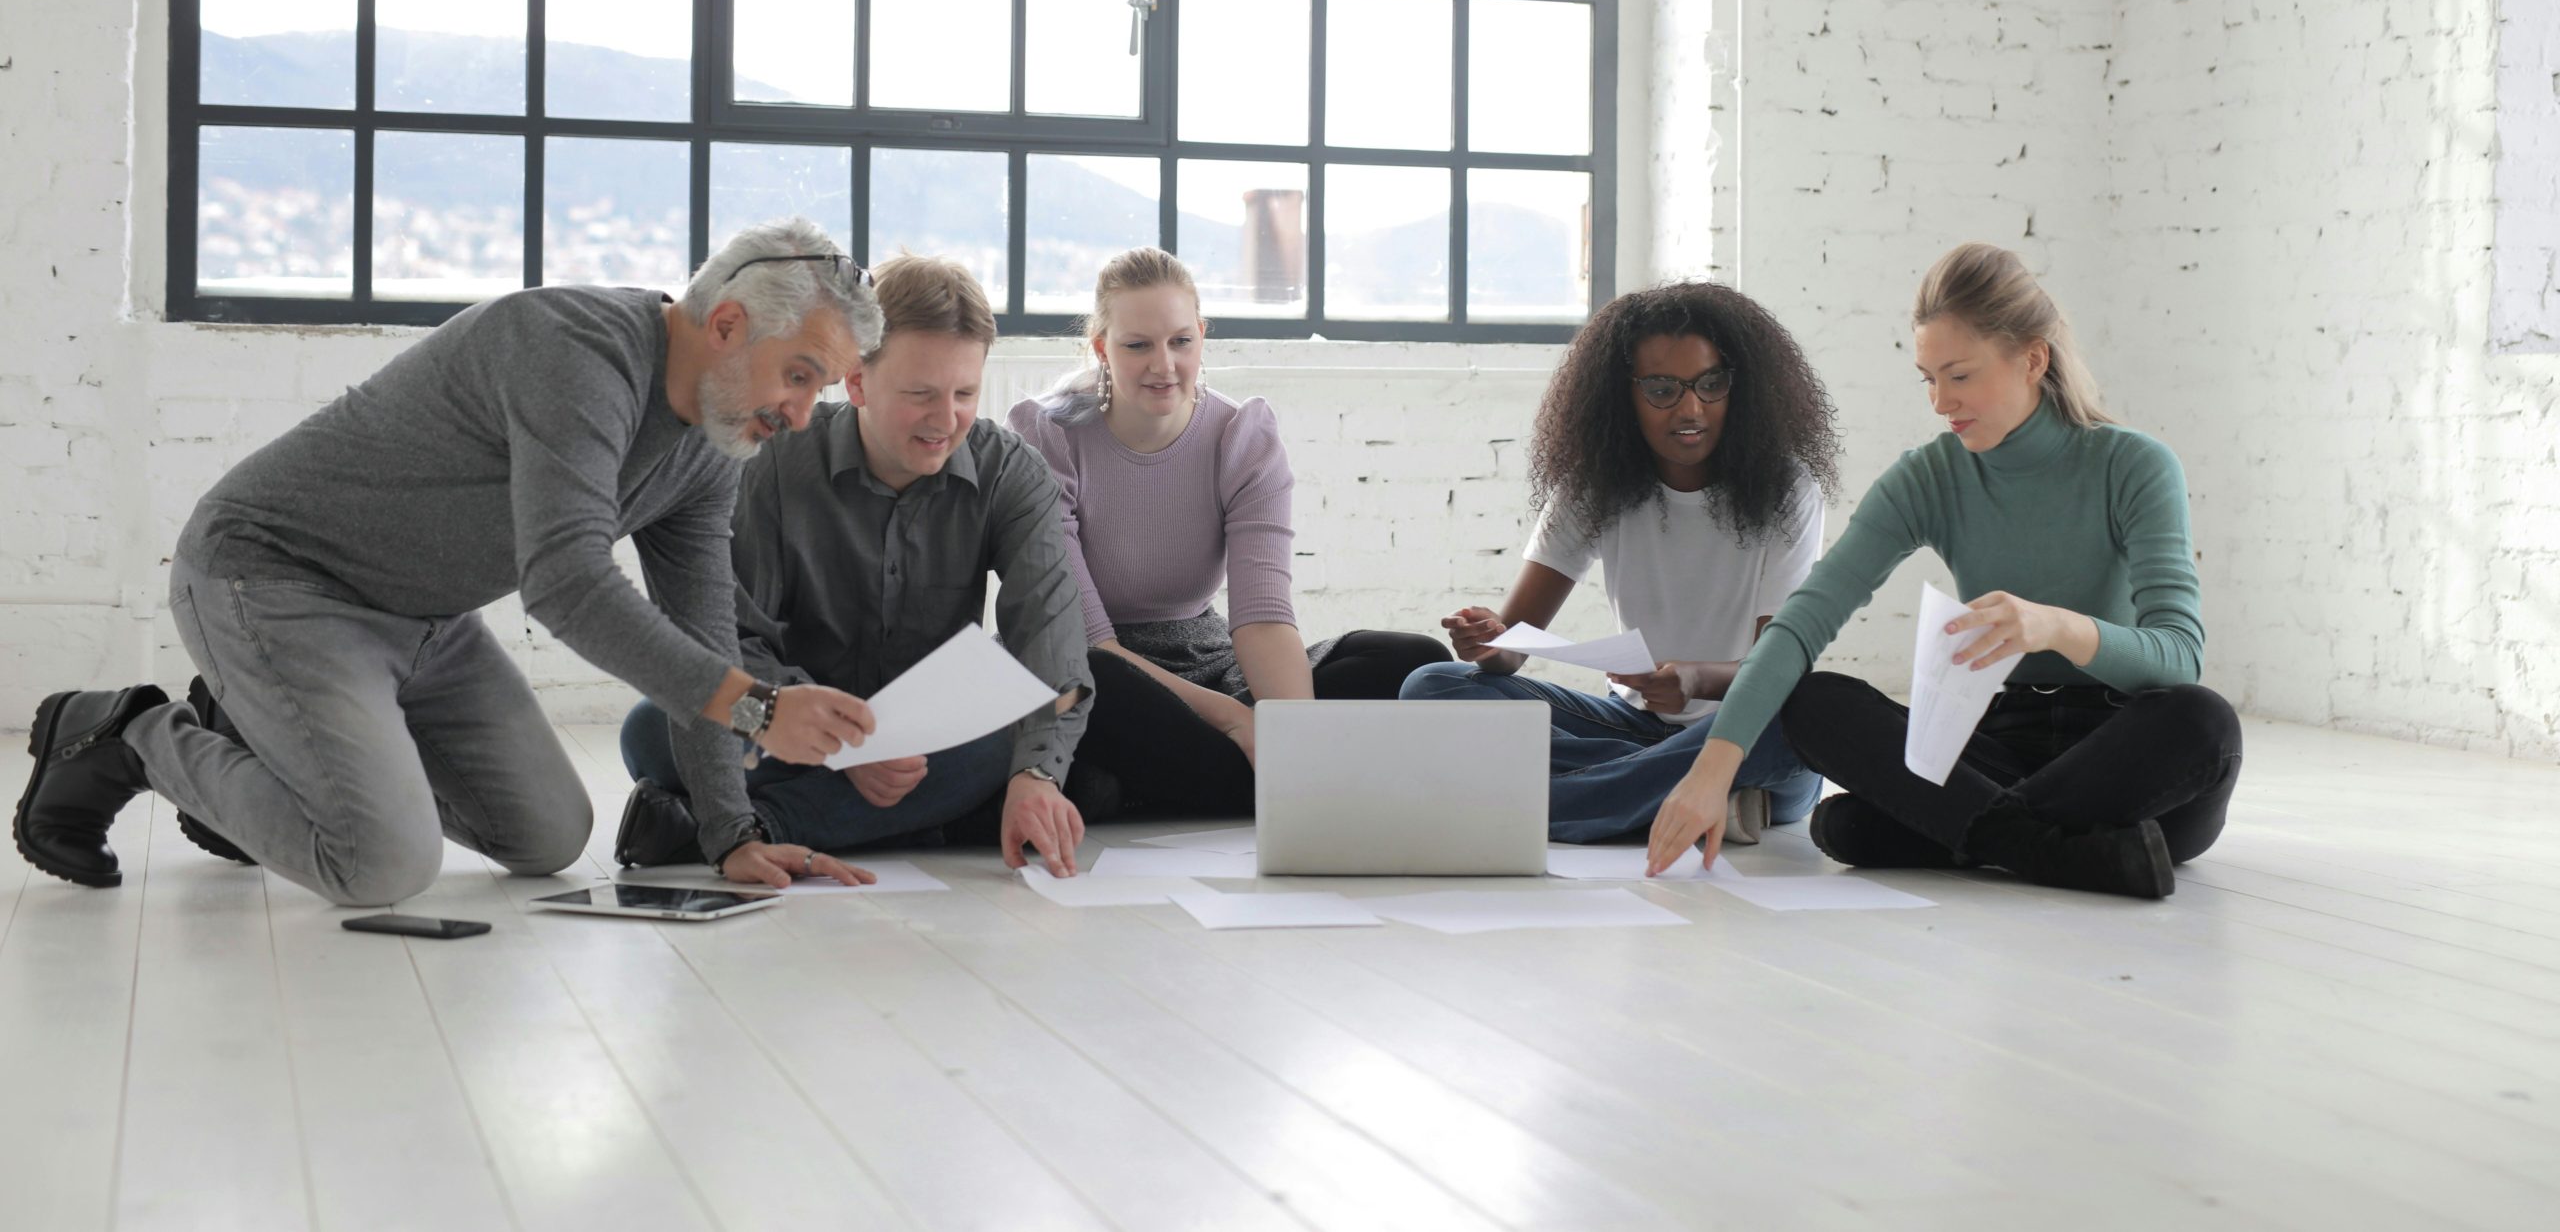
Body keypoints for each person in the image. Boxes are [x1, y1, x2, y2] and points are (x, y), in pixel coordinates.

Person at [11, 217, 884, 904]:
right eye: (800, 376)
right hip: (273, 580)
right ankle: (128, 733)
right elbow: (566, 578)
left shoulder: (714, 441)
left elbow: (699, 630)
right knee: (379, 863)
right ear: (727, 323)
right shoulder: (576, 350)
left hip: (423, 622)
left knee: (547, 837)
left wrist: (730, 832)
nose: (803, 415)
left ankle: (255, 734)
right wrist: (759, 709)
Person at [1643, 243, 2244, 899]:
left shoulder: (2134, 466)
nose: (1939, 401)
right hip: (1995, 748)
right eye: (1927, 377)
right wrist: (1712, 768)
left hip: (2124, 753)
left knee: (2204, 722)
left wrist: (2054, 627)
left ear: (2033, 359)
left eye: (1958, 375)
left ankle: (1967, 833)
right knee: (1812, 700)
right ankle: (2060, 849)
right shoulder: (1930, 476)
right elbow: (1803, 621)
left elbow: (2179, 657)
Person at [616, 253, 1094, 880]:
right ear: (857, 381)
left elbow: (1052, 643)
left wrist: (1035, 776)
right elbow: (729, 638)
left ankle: (746, 828)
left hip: (929, 740)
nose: (945, 419)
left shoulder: (1012, 473)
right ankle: (915, 818)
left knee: (1014, 743)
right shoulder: (773, 464)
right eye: (920, 394)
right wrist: (843, 745)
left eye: (965, 394)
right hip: (792, 727)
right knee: (651, 729)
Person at [1007, 247, 1449, 818]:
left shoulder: (1242, 436)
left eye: (1180, 341)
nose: (1163, 365)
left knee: (1412, 661)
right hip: (1102, 670)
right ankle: (1250, 780)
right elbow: (1091, 643)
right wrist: (1238, 720)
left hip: (1206, 656)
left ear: (1201, 337)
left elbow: (1263, 619)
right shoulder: (1048, 436)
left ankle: (1200, 784)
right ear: (1102, 348)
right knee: (1090, 683)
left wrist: (1293, 737)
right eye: (1137, 345)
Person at [1404, 283, 1841, 843]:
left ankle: (1538, 806)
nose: (1691, 408)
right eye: (1661, 389)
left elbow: (1775, 670)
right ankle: (1687, 794)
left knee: (1801, 721)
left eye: (1711, 384)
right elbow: (1511, 650)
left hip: (1742, 730)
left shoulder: (1787, 490)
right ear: (1621, 397)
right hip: (1631, 726)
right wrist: (1490, 642)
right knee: (1434, 685)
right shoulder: (1594, 487)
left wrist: (1696, 680)